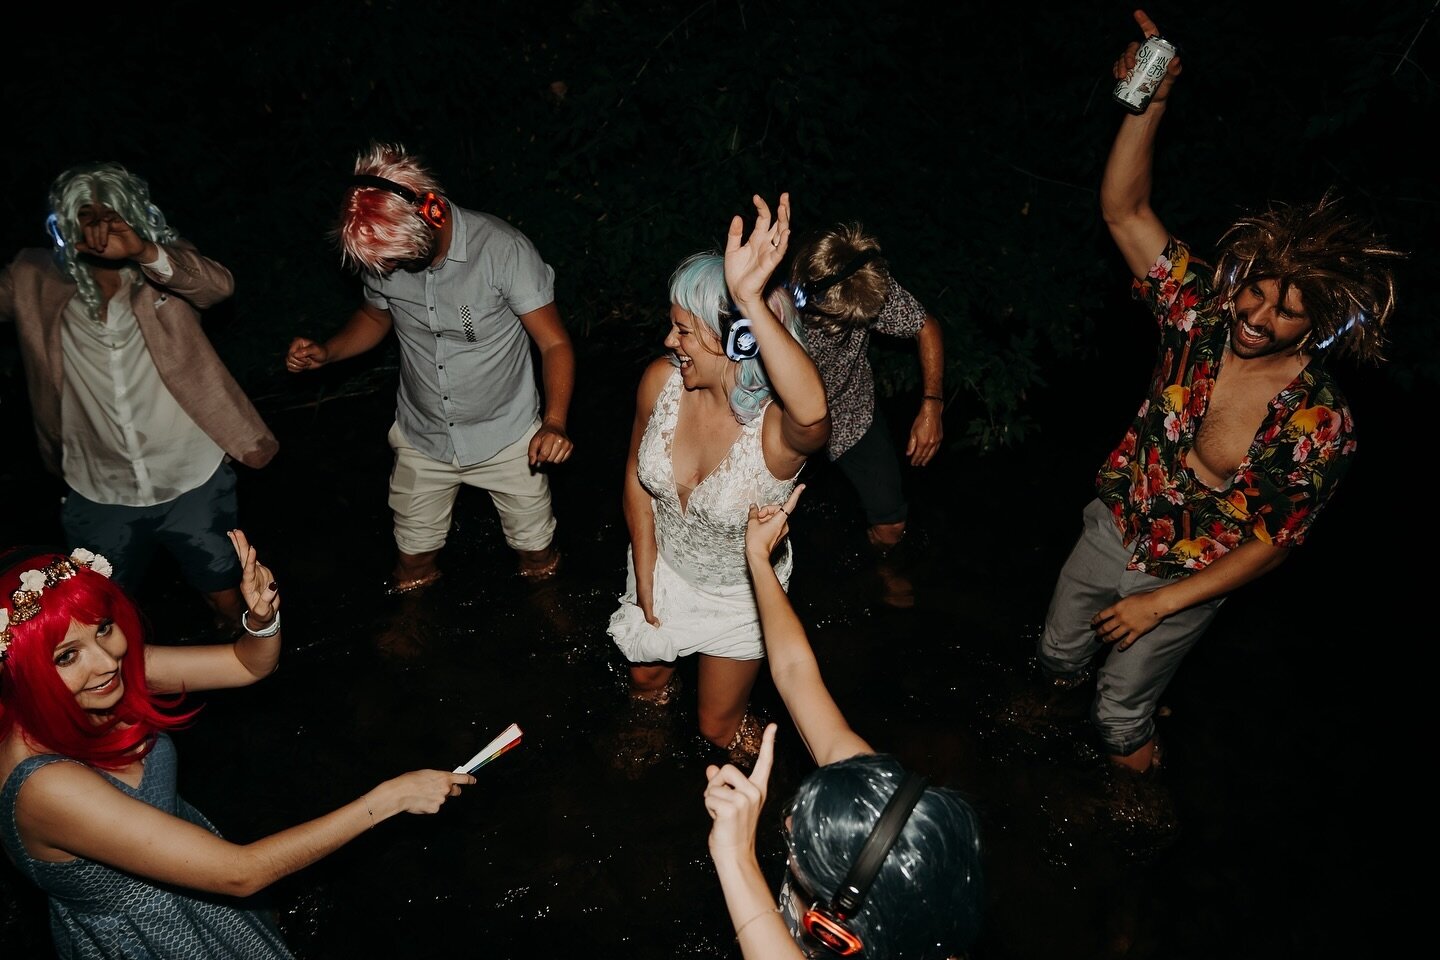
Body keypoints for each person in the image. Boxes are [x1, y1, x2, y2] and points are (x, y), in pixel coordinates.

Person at [1034, 9, 1404, 780]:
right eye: (1257, 296)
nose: (1257, 319)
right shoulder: (1203, 312)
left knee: (1118, 714)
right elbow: (1124, 212)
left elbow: (1277, 543)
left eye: (1285, 313)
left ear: (1320, 325)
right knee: (1055, 654)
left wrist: (1159, 605)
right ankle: (1040, 735)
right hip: (1117, 520)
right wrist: (1150, 103)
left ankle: (1137, 813)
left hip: (1187, 574)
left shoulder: (1320, 422)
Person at [0, 531, 475, 959]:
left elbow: (246, 665)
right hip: (148, 936)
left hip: (194, 870)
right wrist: (388, 800)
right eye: (67, 655)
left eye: (104, 627)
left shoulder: (106, 674)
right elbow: (240, 872)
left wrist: (260, 618)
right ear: (18, 670)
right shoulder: (46, 785)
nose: (106, 661)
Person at [702, 484, 983, 959]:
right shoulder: (884, 814)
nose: (788, 817)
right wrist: (758, 560)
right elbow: (794, 673)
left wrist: (734, 857)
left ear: (839, 929)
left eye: (799, 838)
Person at [0, 162, 279, 637]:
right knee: (100, 612)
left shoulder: (164, 268)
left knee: (224, 592)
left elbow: (218, 287)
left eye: (113, 214)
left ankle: (248, 671)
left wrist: (147, 251)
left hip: (191, 473)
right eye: (87, 214)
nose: (101, 227)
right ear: (67, 221)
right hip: (98, 485)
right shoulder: (33, 276)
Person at [285, 141, 575, 592]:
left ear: (432, 212)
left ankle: (552, 614)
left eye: (401, 260)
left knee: (537, 556)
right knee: (411, 565)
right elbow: (373, 316)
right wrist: (328, 352)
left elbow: (554, 342)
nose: (392, 269)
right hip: (423, 437)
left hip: (509, 435)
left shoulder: (504, 251)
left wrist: (554, 423)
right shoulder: (383, 251)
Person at [606, 193, 830, 766]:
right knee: (646, 679)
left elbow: (813, 415)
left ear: (735, 341)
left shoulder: (775, 433)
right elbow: (634, 476)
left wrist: (750, 298)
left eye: (683, 331)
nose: (668, 342)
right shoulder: (660, 382)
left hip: (741, 597)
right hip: (659, 563)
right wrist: (647, 575)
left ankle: (770, 783)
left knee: (716, 726)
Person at [788, 224, 945, 607]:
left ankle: (886, 571)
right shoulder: (765, 303)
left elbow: (926, 327)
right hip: (778, 421)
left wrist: (931, 404)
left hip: (851, 410)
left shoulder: (863, 279)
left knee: (892, 524)